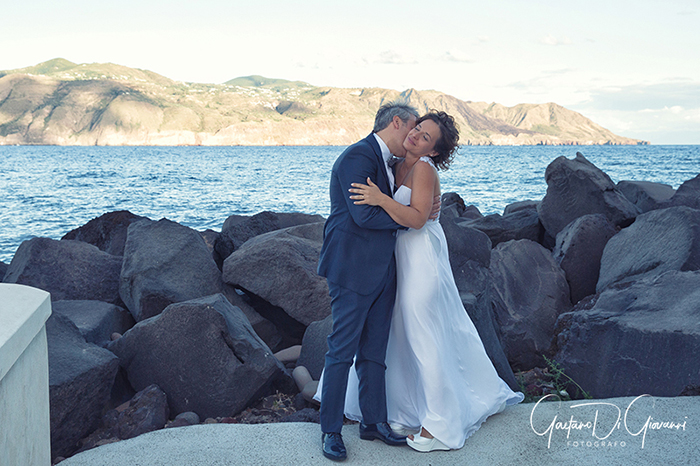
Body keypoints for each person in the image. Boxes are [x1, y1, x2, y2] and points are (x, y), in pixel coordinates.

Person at [334, 110, 524, 452]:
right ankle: (405, 410)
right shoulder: (394, 164)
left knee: (424, 335)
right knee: (401, 335)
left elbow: (419, 219)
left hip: (420, 259)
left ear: (434, 151)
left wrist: (381, 199)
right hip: (397, 259)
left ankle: (440, 425)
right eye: (417, 128)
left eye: (425, 138)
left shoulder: (422, 168)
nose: (416, 136)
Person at [315, 102, 421, 461]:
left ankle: (372, 423)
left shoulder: (395, 164)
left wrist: (420, 209)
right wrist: (410, 219)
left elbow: (388, 205)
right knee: (341, 350)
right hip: (352, 267)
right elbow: (363, 215)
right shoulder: (356, 157)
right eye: (412, 129)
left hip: (383, 268)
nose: (414, 137)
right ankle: (330, 430)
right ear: (396, 123)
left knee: (375, 353)